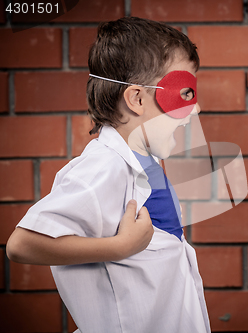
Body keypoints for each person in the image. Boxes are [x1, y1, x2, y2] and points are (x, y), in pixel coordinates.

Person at [7, 17, 210, 333]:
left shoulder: (146, 160)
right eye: (185, 94)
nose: (195, 109)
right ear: (138, 99)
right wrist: (121, 247)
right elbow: (22, 244)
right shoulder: (105, 165)